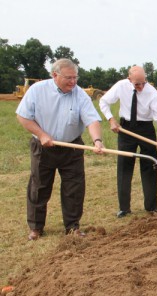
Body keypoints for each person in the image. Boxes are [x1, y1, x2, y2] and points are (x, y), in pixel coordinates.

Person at [16, 58, 104, 240]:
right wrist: (41, 135)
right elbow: (23, 116)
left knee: (74, 188)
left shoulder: (79, 94)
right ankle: (36, 227)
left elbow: (92, 119)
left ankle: (72, 227)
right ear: (55, 75)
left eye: (75, 78)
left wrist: (97, 140)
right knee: (39, 187)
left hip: (71, 148)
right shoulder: (37, 91)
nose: (73, 82)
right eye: (68, 78)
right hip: (43, 148)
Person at [99, 66, 157, 218]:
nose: (141, 87)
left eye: (144, 82)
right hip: (125, 129)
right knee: (124, 167)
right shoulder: (121, 86)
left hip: (146, 129)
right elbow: (103, 101)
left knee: (150, 166)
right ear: (129, 79)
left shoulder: (152, 91)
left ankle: (151, 206)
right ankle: (124, 208)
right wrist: (111, 120)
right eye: (137, 84)